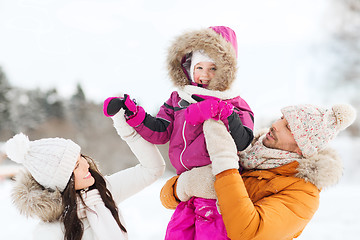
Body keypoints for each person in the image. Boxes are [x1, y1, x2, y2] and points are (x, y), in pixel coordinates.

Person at [103, 26, 254, 239]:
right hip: (187, 189)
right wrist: (134, 113)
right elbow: (161, 131)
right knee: (177, 234)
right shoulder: (179, 98)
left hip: (217, 192)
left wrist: (222, 112)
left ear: (225, 70)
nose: (204, 75)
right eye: (199, 67)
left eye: (213, 68)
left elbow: (244, 141)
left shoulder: (235, 102)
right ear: (189, 67)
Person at [160, 103, 356, 240]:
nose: (276, 125)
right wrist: (183, 186)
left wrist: (226, 170)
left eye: (288, 127)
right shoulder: (245, 152)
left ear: (301, 149)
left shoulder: (303, 195)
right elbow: (167, 200)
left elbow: (247, 232)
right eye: (282, 118)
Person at [6, 109, 165, 240]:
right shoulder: (49, 233)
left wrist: (125, 126)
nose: (85, 164)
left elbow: (153, 169)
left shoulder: (103, 192)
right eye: (75, 166)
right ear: (62, 182)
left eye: (81, 157)